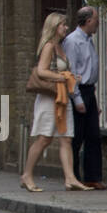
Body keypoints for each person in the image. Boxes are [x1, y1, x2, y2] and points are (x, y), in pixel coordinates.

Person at [19, 11, 91, 193]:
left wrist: (72, 76)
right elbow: (41, 71)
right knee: (44, 138)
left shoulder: (61, 46)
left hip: (62, 97)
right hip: (48, 98)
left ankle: (70, 179)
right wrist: (62, 77)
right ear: (54, 27)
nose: (66, 28)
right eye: (63, 25)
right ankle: (27, 175)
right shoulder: (49, 46)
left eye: (66, 24)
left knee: (66, 138)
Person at [64, 6, 107, 189]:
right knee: (76, 137)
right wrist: (78, 99)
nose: (97, 23)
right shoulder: (73, 41)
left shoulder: (89, 40)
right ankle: (73, 177)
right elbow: (71, 71)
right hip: (78, 91)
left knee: (93, 136)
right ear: (88, 21)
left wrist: (92, 99)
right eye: (96, 20)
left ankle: (93, 177)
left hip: (89, 90)